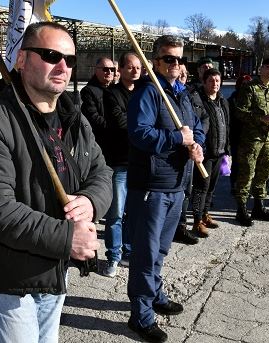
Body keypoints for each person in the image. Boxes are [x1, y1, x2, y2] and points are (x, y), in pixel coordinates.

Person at [0, 22, 112, 342]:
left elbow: (102, 172)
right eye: (50, 55)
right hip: (11, 279)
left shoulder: (75, 119)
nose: (62, 66)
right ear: (21, 60)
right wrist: (67, 238)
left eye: (69, 60)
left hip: (55, 271)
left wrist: (90, 200)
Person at [126, 35, 204, 342]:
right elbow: (139, 134)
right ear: (155, 62)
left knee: (160, 249)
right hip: (151, 187)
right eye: (169, 59)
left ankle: (154, 294)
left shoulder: (181, 94)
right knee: (145, 254)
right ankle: (141, 316)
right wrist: (176, 140)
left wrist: (197, 144)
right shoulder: (148, 92)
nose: (176, 64)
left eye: (179, 59)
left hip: (176, 184)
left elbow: (194, 125)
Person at [101, 52, 141, 277]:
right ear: (121, 70)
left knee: (133, 213)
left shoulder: (146, 92)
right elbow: (120, 122)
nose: (135, 71)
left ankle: (128, 252)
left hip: (139, 161)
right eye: (130, 67)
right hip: (119, 162)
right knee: (116, 213)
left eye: (138, 67)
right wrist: (144, 127)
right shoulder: (112, 94)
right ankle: (113, 256)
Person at [233, 58, 269, 226]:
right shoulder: (249, 88)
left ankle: (259, 207)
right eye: (268, 67)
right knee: (246, 173)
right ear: (260, 69)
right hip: (251, 140)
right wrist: (262, 118)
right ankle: (241, 209)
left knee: (264, 173)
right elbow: (240, 112)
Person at [190, 68, 229, 237]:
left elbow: (227, 126)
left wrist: (227, 150)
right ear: (204, 82)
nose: (215, 84)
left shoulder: (223, 101)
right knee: (201, 187)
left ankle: (206, 214)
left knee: (211, 187)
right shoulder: (200, 102)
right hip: (206, 153)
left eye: (218, 81)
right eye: (211, 81)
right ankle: (197, 221)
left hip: (219, 152)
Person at [173, 63, 200, 245]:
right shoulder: (164, 94)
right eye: (179, 73)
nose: (182, 76)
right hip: (173, 156)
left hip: (189, 155)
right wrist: (178, 138)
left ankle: (181, 226)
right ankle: (173, 227)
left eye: (184, 73)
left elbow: (197, 121)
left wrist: (198, 141)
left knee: (186, 193)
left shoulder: (187, 95)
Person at [80, 56, 115, 149]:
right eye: (105, 69)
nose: (109, 72)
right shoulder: (88, 91)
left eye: (112, 69)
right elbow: (93, 117)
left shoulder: (116, 89)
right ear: (96, 70)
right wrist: (115, 126)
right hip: (100, 141)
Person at [227, 75, 253, 192]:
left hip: (252, 137)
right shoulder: (232, 100)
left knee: (250, 164)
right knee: (237, 163)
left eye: (248, 84)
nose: (245, 87)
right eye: (243, 84)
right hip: (237, 136)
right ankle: (235, 185)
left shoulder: (254, 98)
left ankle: (247, 186)